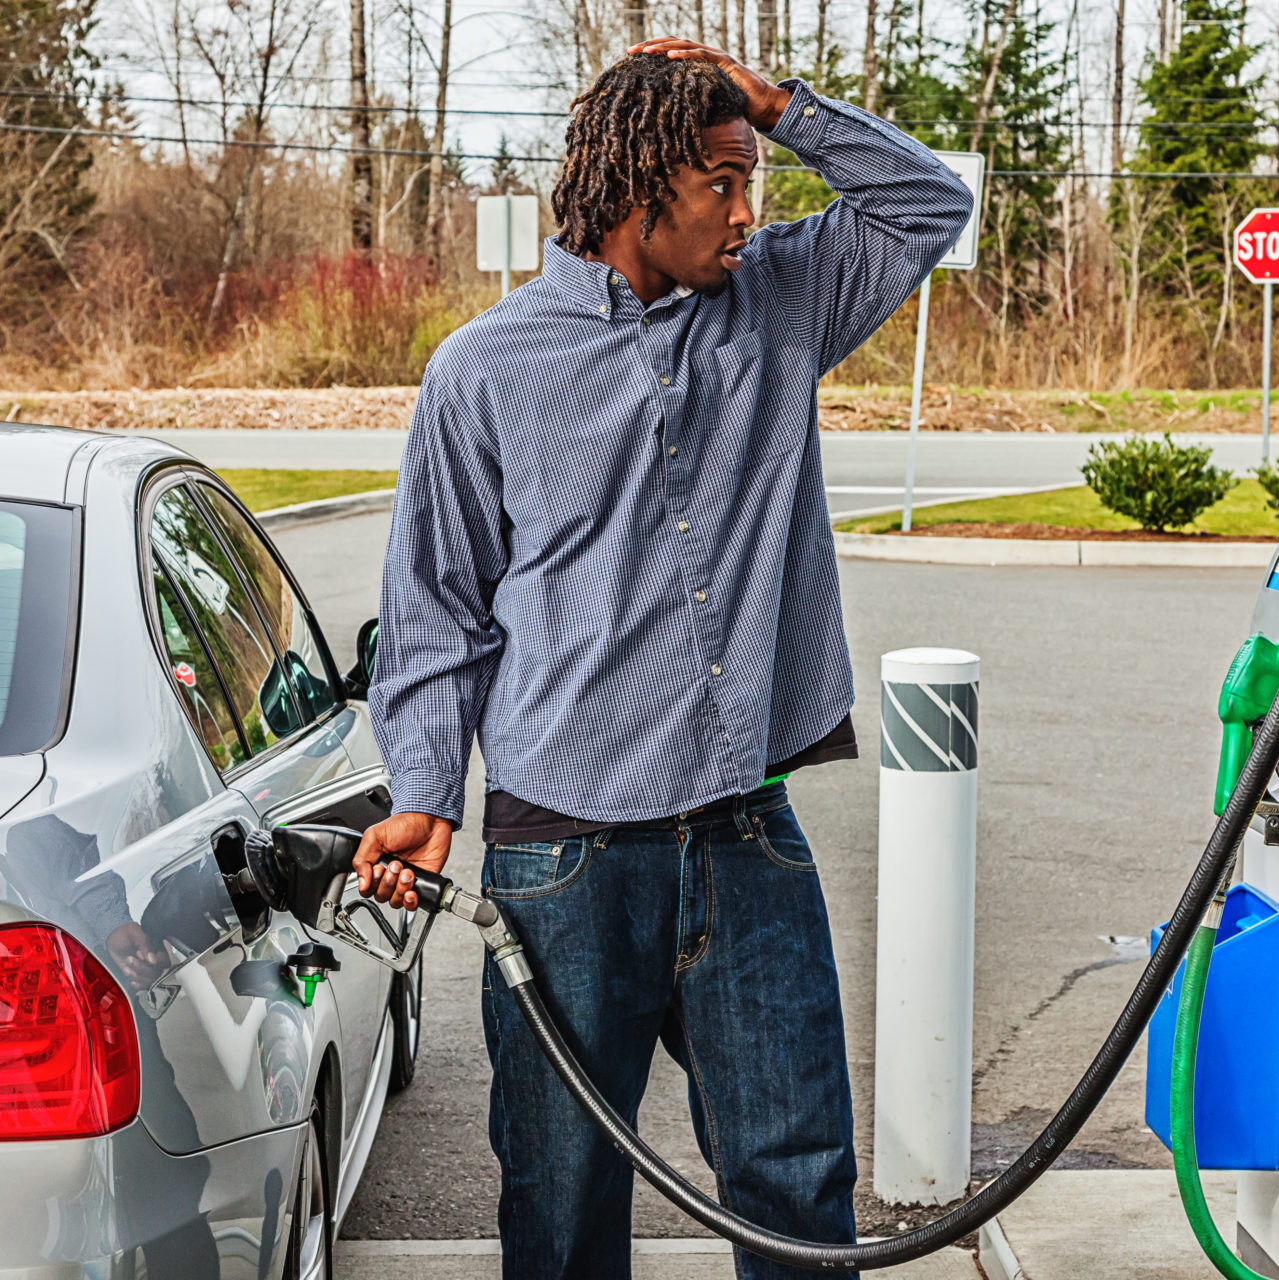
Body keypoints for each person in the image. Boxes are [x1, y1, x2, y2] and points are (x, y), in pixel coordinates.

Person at [353, 38, 972, 1280]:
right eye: (726, 185)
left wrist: (776, 108)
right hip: (564, 857)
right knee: (566, 1195)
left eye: (754, 184)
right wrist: (423, 794)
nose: (751, 213)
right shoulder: (482, 372)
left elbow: (927, 203)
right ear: (642, 191)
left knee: (799, 1183)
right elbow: (436, 612)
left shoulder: (783, 302)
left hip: (746, 835)